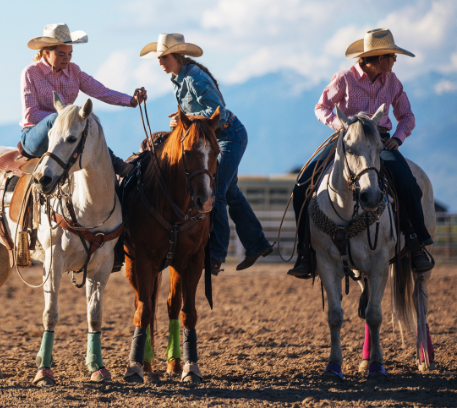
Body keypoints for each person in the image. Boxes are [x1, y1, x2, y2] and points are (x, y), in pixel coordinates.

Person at [289, 28, 434, 277]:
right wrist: (342, 127)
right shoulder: (344, 78)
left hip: (380, 142)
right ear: (380, 58)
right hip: (347, 141)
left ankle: (415, 241)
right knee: (302, 185)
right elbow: (321, 106)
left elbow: (407, 116)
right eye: (392, 56)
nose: (395, 60)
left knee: (408, 183)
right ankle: (305, 252)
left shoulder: (393, 82)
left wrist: (397, 139)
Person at [142, 34, 273, 274]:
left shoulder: (192, 78)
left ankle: (215, 254)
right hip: (215, 138)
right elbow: (202, 111)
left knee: (217, 192)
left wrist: (187, 118)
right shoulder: (179, 78)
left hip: (228, 136)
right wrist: (183, 120)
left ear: (178, 56)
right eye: (159, 58)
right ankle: (257, 243)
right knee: (231, 192)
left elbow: (218, 114)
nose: (161, 61)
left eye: (165, 57)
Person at [20, 23, 147, 176]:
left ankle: (111, 167)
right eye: (61, 54)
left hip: (66, 136)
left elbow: (101, 91)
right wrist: (65, 118)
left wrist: (131, 101)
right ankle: (115, 163)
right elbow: (31, 114)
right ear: (47, 53)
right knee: (57, 118)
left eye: (69, 54)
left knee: (86, 122)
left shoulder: (74, 71)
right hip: (35, 135)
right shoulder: (30, 73)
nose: (67, 58)